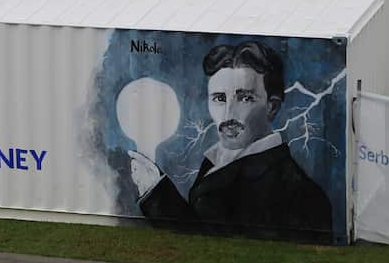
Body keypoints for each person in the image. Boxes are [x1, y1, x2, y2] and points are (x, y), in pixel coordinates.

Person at [128, 42, 333, 241]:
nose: (228, 114)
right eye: (219, 98)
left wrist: (157, 196)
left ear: (272, 106)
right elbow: (201, 230)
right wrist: (154, 187)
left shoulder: (300, 196)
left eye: (245, 98)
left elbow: (209, 248)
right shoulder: (216, 160)